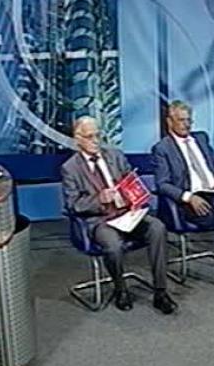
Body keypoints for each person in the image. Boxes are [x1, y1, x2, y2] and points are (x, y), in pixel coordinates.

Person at [61, 116, 178, 314]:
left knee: (157, 227)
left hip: (127, 214)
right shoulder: (70, 168)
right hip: (101, 221)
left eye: (98, 135)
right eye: (90, 137)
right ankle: (120, 289)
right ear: (77, 139)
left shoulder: (115, 156)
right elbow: (73, 204)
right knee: (113, 246)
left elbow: (132, 181)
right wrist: (99, 199)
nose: (95, 141)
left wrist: (135, 197)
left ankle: (161, 291)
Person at [151, 100, 214, 295]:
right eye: (181, 120)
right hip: (189, 203)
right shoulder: (162, 149)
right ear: (169, 122)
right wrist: (189, 197)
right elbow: (162, 184)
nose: (187, 125)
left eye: (189, 120)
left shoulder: (201, 138)